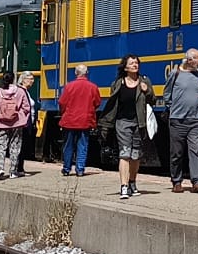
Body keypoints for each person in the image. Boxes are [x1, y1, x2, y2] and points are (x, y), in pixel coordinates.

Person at [104, 56, 153, 199]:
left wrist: (147, 91)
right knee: (125, 153)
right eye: (131, 63)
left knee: (135, 155)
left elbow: (153, 100)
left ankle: (132, 182)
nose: (135, 65)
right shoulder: (118, 83)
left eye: (136, 63)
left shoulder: (144, 81)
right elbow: (113, 103)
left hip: (139, 123)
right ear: (125, 67)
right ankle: (123, 186)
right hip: (122, 122)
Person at [166, 50, 198, 193]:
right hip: (178, 120)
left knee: (195, 151)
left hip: (196, 119)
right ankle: (176, 181)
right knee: (177, 152)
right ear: (189, 60)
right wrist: (171, 108)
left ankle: (197, 181)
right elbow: (167, 94)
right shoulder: (175, 73)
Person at [59, 64, 99, 177]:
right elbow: (97, 103)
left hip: (70, 120)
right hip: (85, 121)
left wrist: (64, 113)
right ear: (87, 73)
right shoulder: (93, 87)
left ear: (76, 73)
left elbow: (62, 102)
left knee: (68, 145)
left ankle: (66, 169)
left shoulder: (69, 86)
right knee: (83, 145)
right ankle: (80, 169)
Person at [0, 72, 31, 180]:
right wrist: (21, 118)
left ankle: (0, 169)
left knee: (1, 147)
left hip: (2, 124)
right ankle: (13, 171)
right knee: (15, 147)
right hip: (17, 124)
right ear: (13, 79)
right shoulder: (20, 91)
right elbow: (27, 107)